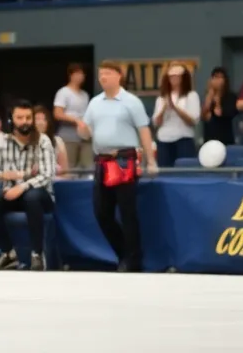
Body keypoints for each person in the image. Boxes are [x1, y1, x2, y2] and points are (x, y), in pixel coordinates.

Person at [82, 61, 158, 272]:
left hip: (124, 160)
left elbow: (144, 131)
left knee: (127, 212)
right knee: (101, 212)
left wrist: (150, 160)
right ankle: (124, 253)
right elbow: (86, 133)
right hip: (101, 160)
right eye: (100, 74)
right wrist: (81, 129)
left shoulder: (131, 102)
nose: (103, 77)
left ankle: (132, 260)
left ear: (118, 76)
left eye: (107, 73)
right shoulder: (94, 103)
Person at [0, 100, 59, 271]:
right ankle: (8, 254)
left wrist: (22, 187)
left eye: (28, 117)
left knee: (32, 198)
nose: (25, 121)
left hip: (40, 195)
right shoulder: (3, 140)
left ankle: (37, 254)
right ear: (11, 120)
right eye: (20, 117)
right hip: (12, 192)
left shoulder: (43, 141)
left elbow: (47, 175)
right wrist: (3, 175)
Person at [151, 61, 200, 167]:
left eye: (178, 76)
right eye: (171, 76)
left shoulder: (191, 95)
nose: (174, 79)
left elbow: (193, 121)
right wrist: (164, 108)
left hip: (184, 140)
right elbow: (157, 123)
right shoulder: (161, 98)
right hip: (164, 140)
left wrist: (175, 108)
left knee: (185, 172)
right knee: (164, 171)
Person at [53, 63, 93, 169]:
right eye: (77, 73)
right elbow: (57, 113)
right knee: (68, 167)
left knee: (88, 167)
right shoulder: (63, 92)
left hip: (85, 137)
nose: (80, 76)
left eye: (82, 74)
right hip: (68, 137)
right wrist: (76, 120)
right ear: (71, 75)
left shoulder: (85, 95)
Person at [201, 67, 238, 145]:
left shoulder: (231, 97)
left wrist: (217, 100)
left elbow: (219, 113)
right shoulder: (207, 96)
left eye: (220, 77)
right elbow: (204, 116)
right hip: (209, 140)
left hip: (225, 139)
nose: (217, 80)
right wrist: (210, 95)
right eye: (215, 77)